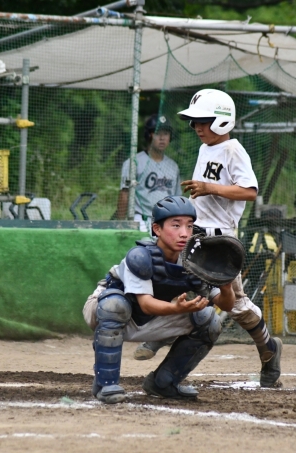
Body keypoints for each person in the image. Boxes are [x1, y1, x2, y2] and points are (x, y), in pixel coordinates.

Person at [134, 89, 283, 389]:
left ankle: (269, 349)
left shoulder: (233, 150)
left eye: (203, 121)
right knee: (169, 277)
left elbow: (249, 191)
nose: (197, 127)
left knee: (235, 306)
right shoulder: (206, 149)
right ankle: (160, 335)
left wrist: (209, 188)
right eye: (194, 122)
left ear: (222, 121)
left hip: (220, 242)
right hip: (195, 233)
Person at [83, 195, 235, 403]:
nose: (184, 233)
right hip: (105, 311)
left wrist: (226, 286)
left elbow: (226, 305)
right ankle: (105, 383)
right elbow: (146, 304)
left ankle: (164, 383)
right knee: (114, 306)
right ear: (157, 229)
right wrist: (177, 308)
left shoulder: (196, 260)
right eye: (176, 225)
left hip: (151, 317)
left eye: (189, 226)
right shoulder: (141, 256)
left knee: (210, 321)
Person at [115, 114, 181, 232]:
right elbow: (124, 193)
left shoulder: (173, 166)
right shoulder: (134, 162)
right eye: (157, 133)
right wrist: (120, 224)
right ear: (149, 135)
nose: (162, 138)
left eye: (166, 133)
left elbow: (177, 199)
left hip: (167, 221)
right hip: (141, 219)